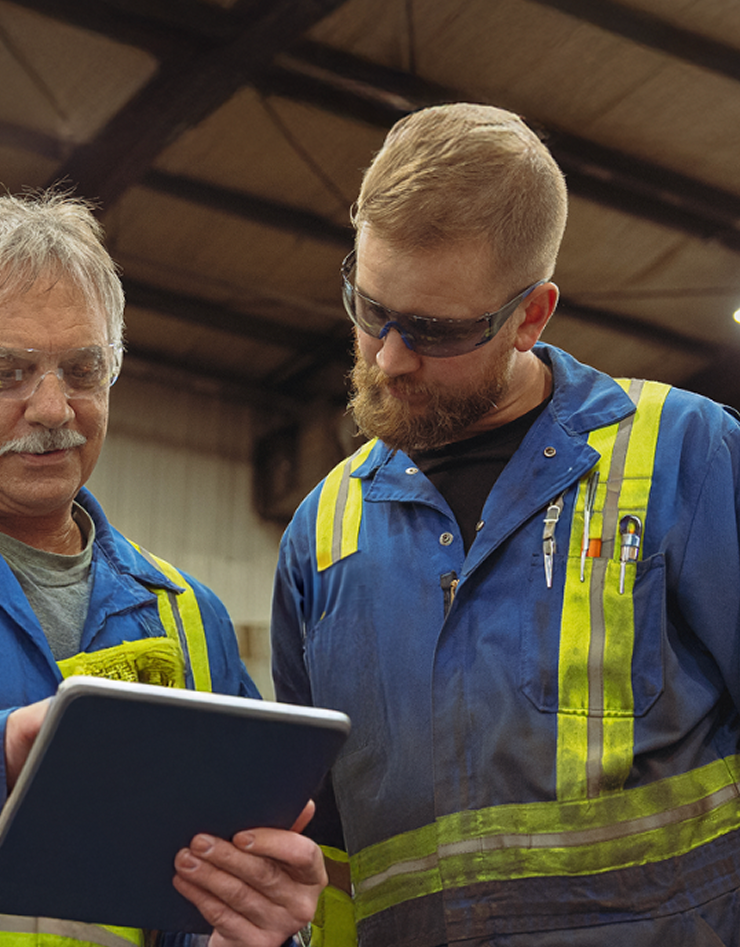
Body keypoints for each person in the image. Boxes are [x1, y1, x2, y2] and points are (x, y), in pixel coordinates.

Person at [0, 190, 325, 947]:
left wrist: (252, 924)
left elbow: (188, 897)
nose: (52, 407)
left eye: (82, 368)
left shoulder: (181, 613)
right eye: (5, 371)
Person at [271, 102, 740, 946]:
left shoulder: (688, 455)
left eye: (435, 330)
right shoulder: (322, 534)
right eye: (370, 307)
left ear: (532, 315)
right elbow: (322, 850)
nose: (387, 355)